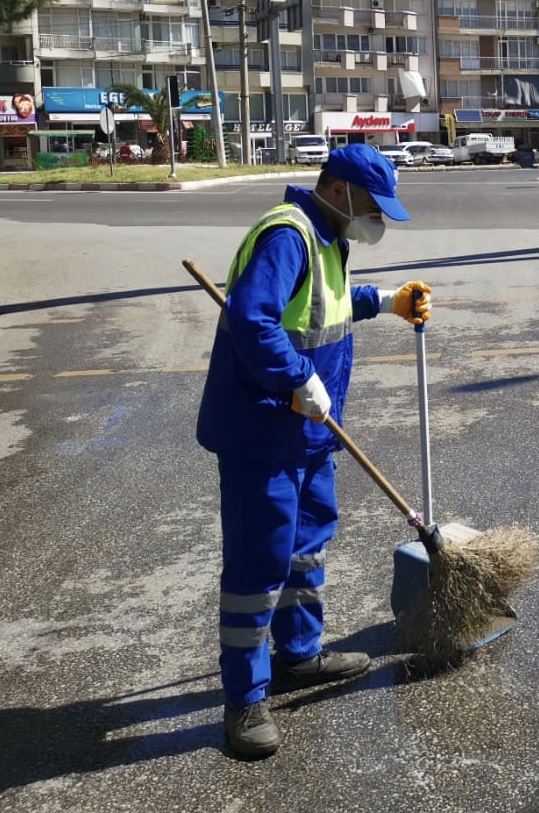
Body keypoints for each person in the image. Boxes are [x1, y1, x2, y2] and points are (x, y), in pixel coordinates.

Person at [196, 143, 432, 760]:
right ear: (338, 191)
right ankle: (244, 701)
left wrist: (384, 302)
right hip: (263, 434)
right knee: (259, 566)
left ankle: (299, 655)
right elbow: (255, 320)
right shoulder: (288, 235)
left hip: (308, 435)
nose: (376, 221)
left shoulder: (329, 239)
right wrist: (297, 377)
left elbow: (322, 307)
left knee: (306, 547)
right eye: (372, 208)